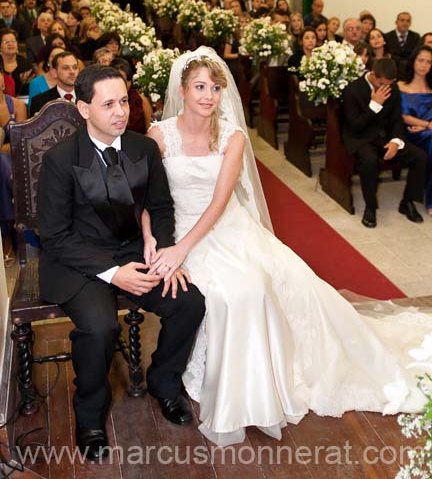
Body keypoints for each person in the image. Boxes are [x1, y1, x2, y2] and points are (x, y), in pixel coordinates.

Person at [145, 46, 432, 447]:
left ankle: (256, 384)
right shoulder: (159, 135)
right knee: (226, 294)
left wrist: (181, 250)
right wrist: (155, 243)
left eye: (214, 87)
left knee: (252, 286)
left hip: (222, 228)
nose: (208, 96)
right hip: (175, 228)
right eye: (199, 87)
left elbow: (219, 203)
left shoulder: (233, 136)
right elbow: (145, 196)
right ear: (183, 89)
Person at [36, 65, 205, 460]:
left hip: (134, 250)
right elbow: (55, 236)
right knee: (100, 327)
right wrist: (114, 274)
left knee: (189, 302)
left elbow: (161, 207)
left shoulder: (143, 148)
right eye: (108, 103)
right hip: (79, 261)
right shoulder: (60, 160)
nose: (120, 112)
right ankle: (90, 416)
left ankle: (165, 383)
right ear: (83, 109)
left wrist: (163, 251)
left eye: (124, 101)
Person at [342, 57, 427, 228]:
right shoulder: (353, 90)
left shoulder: (391, 87)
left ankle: (408, 202)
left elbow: (396, 119)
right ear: (372, 75)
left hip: (385, 138)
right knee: (369, 161)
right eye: (381, 83)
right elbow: (355, 126)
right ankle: (370, 207)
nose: (384, 88)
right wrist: (374, 105)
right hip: (361, 138)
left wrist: (396, 141)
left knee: (420, 157)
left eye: (388, 84)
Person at [398, 46, 432, 215]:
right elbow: (403, 116)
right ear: (413, 62)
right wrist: (426, 124)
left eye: (428, 62)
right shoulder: (401, 86)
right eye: (420, 60)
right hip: (409, 133)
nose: (424, 65)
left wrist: (428, 125)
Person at [0, 63, 27, 266]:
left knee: (2, 163)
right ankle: (8, 232)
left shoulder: (17, 105)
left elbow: (21, 141)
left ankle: (7, 235)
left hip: (15, 160)